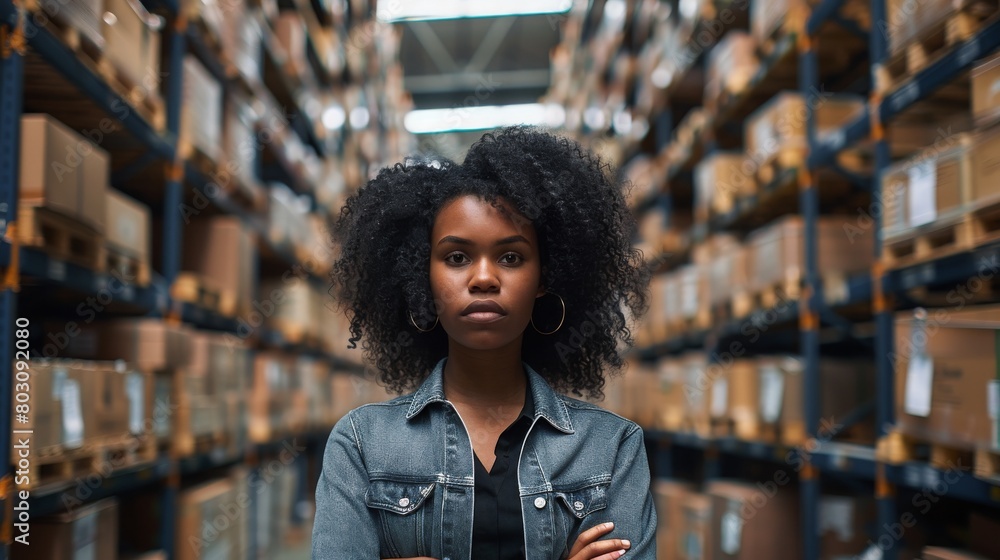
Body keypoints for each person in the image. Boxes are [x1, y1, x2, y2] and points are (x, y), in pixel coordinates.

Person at [312, 126, 656, 559]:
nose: (483, 278)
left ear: (544, 278)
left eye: (511, 257)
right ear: (422, 276)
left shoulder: (611, 448)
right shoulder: (362, 444)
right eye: (457, 257)